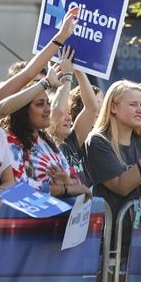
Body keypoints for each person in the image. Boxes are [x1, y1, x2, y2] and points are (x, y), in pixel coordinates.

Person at [85, 81, 141, 231]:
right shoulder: (98, 141)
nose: (139, 110)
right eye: (133, 104)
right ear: (114, 107)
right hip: (104, 237)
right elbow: (122, 186)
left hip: (135, 238)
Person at [3, 63, 90, 198]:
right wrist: (64, 190)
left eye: (48, 103)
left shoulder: (47, 139)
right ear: (22, 109)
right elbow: (19, 185)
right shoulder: (10, 141)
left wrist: (67, 181)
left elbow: (75, 176)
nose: (48, 110)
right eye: (39, 104)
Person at [47, 50, 99, 185]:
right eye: (63, 113)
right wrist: (68, 76)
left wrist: (79, 69)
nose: (68, 118)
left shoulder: (71, 142)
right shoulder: (45, 144)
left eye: (69, 112)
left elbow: (91, 108)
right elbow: (57, 110)